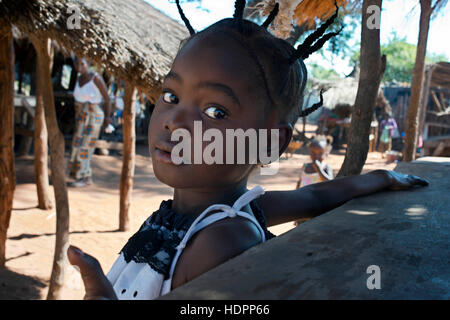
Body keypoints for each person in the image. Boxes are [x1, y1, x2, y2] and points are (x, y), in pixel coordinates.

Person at [67, 1, 428, 300]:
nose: (174, 120)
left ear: (269, 143)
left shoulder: (222, 242)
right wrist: (380, 178)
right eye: (171, 96)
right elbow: (316, 197)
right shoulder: (232, 212)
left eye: (215, 112)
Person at [68, 57, 112, 187]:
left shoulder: (95, 78)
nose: (79, 66)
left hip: (94, 115)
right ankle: (79, 174)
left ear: (88, 64)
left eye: (82, 63)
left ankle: (84, 177)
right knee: (77, 144)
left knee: (86, 146)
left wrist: (108, 118)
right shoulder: (78, 79)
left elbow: (107, 98)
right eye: (77, 63)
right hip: (82, 116)